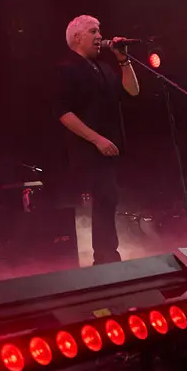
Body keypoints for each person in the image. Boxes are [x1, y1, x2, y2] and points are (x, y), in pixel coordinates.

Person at [53, 15, 140, 266]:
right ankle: (105, 257)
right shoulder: (66, 69)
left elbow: (132, 91)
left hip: (109, 146)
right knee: (106, 195)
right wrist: (97, 139)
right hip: (88, 147)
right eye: (93, 31)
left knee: (109, 196)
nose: (100, 36)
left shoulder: (103, 68)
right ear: (77, 37)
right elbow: (63, 112)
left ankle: (105, 256)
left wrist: (123, 59)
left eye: (100, 31)